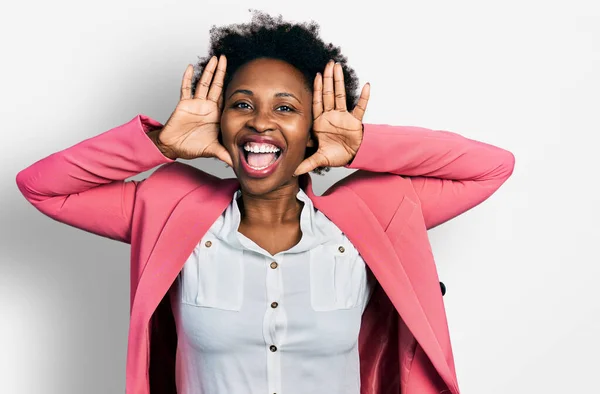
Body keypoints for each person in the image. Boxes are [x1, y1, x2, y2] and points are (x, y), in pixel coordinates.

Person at [15, 11, 515, 394]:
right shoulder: (169, 209)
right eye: (242, 104)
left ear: (313, 126)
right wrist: (162, 144)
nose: (260, 122)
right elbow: (43, 187)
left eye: (285, 108)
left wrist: (362, 146)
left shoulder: (370, 216)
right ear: (219, 121)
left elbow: (491, 166)